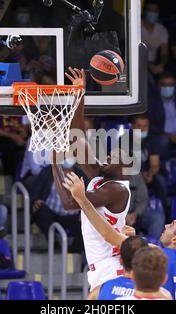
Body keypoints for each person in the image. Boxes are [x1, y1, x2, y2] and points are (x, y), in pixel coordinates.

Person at [61, 172, 176, 300]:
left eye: (172, 225)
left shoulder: (159, 255)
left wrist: (82, 199)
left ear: (175, 239)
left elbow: (108, 235)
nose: (166, 226)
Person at [51, 68, 131, 291]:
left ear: (124, 166)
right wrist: (79, 93)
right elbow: (76, 137)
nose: (106, 157)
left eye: (112, 156)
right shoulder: (101, 176)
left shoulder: (118, 189)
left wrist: (54, 158)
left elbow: (70, 203)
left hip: (111, 267)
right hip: (101, 265)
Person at [31, 161, 84, 253]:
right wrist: (35, 200)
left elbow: (90, 195)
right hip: (52, 213)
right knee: (41, 212)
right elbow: (35, 190)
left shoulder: (81, 174)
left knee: (88, 225)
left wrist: (84, 212)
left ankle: (73, 253)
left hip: (73, 216)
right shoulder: (48, 171)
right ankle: (55, 247)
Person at [147, 72, 176, 158]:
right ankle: (165, 166)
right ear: (159, 86)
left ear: (175, 86)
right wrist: (168, 135)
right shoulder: (152, 102)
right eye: (164, 85)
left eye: (171, 85)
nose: (168, 87)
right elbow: (149, 125)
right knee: (163, 141)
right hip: (162, 137)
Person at [131, 114, 169, 211]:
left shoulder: (152, 140)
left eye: (145, 126)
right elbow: (124, 165)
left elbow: (155, 164)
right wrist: (140, 175)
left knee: (160, 180)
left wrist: (150, 174)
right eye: (139, 126)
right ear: (133, 126)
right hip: (132, 175)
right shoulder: (124, 140)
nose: (142, 129)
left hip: (148, 174)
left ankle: (165, 211)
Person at [126, 173, 165, 239]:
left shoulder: (136, 175)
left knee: (157, 218)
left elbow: (143, 200)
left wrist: (135, 214)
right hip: (117, 215)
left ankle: (153, 245)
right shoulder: (110, 176)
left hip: (136, 214)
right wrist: (122, 216)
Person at [141, 1, 169, 77]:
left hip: (155, 63)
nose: (153, 13)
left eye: (155, 11)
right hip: (138, 63)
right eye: (150, 11)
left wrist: (161, 65)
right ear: (145, 12)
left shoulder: (162, 29)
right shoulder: (136, 27)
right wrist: (148, 66)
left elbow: (164, 53)